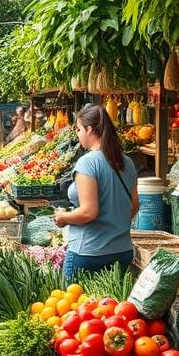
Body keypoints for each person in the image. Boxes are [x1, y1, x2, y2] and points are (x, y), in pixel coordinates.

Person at [54, 105, 139, 280]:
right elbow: (134, 205)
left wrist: (63, 217)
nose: (78, 135)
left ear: (90, 129)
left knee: (74, 306)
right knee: (109, 306)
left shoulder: (88, 163)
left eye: (78, 129)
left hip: (89, 252)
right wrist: (114, 223)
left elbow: (88, 212)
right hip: (122, 251)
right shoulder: (127, 162)